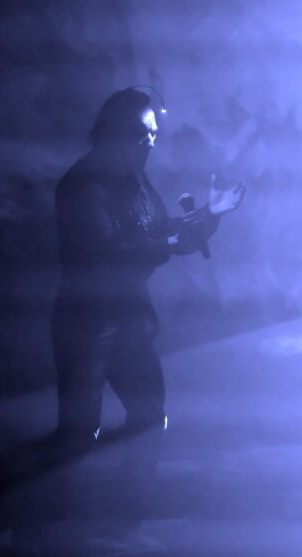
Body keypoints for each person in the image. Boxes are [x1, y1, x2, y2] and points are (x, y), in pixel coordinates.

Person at [51, 88, 245, 449]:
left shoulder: (135, 177)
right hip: (87, 325)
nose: (151, 143)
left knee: (150, 419)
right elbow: (106, 251)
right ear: (114, 132)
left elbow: (160, 229)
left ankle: (134, 483)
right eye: (142, 134)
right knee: (77, 435)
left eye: (154, 133)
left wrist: (210, 213)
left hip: (130, 318)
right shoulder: (82, 185)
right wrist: (167, 243)